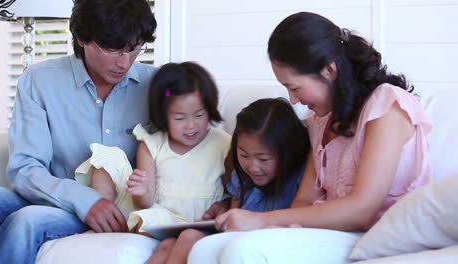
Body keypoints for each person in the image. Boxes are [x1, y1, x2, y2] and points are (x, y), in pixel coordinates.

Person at [188, 11, 433, 264]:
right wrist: (277, 229)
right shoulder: (320, 122)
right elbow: (304, 201)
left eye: (294, 87)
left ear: (329, 70)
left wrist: (262, 220)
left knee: (244, 252)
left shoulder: (387, 106)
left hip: (382, 236)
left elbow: (362, 209)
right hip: (333, 233)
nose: (294, 100)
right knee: (204, 249)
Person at [0, 0, 156, 263]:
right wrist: (83, 200)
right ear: (81, 38)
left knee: (28, 221)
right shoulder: (39, 81)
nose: (124, 62)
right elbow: (25, 168)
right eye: (112, 49)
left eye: (134, 49)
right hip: (56, 200)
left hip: (119, 210)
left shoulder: (157, 86)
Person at [147, 98, 310, 264]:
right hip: (233, 237)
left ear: (288, 152)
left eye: (264, 159)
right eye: (244, 155)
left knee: (191, 238)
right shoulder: (242, 177)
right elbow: (231, 222)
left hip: (256, 242)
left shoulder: (301, 178)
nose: (253, 167)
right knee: (169, 243)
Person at [76, 61, 232, 232]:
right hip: (157, 214)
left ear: (210, 109)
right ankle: (104, 220)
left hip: (198, 221)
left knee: (156, 219)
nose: (190, 126)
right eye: (179, 118)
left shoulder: (223, 144)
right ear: (163, 115)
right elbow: (145, 203)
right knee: (108, 157)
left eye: (199, 115)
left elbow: (236, 190)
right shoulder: (151, 145)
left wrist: (225, 205)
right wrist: (141, 191)